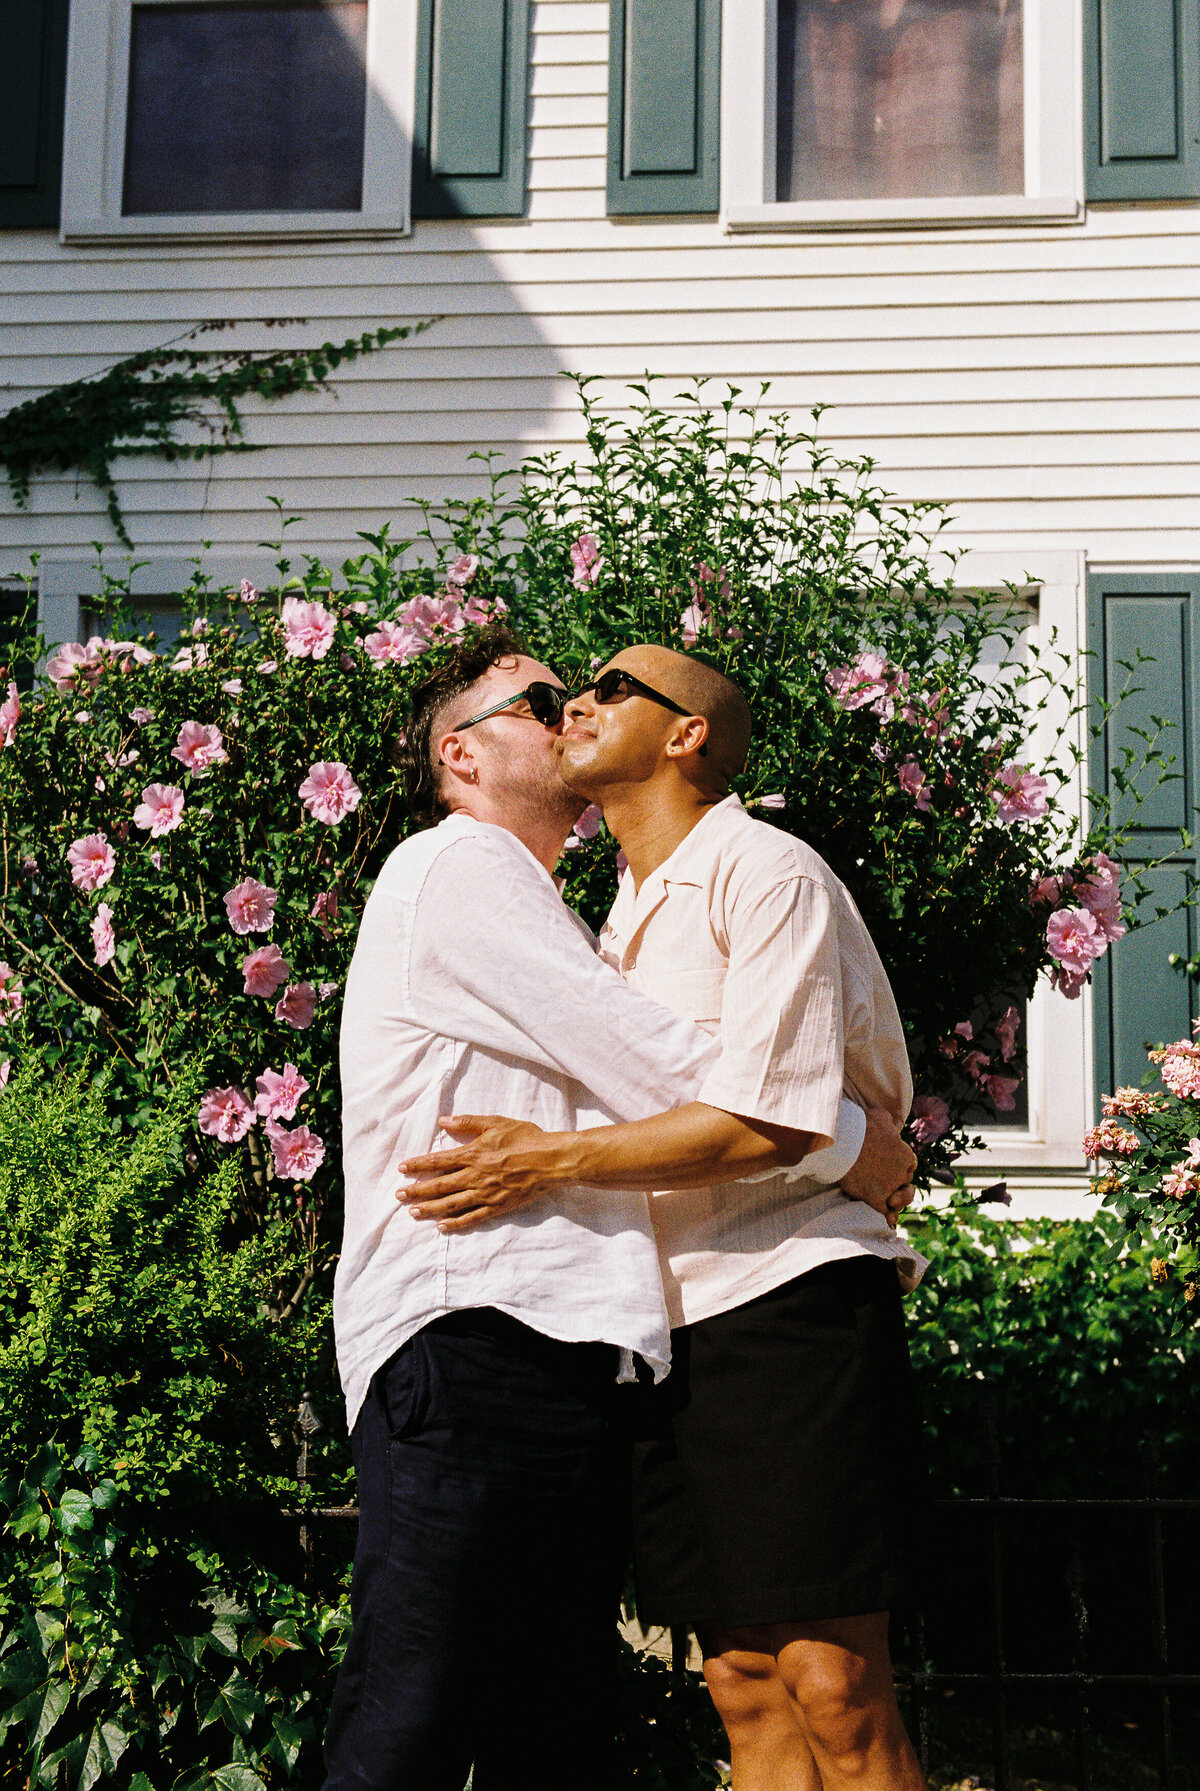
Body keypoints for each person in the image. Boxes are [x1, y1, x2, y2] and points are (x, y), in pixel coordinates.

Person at [325, 625, 916, 1791]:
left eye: (589, 694)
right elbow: (658, 1065)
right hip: (475, 1336)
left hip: (604, 1348)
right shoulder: (463, 868)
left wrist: (806, 1127)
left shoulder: (638, 898)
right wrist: (849, 1139)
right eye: (541, 701)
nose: (570, 713)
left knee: (571, 1726)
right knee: (422, 1721)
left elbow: (692, 1088)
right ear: (461, 756)